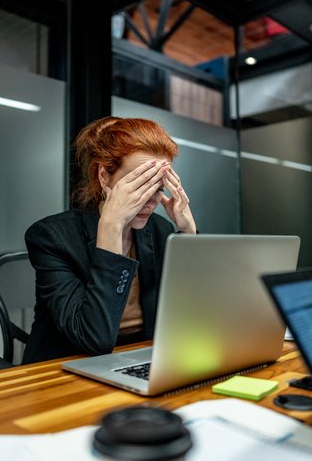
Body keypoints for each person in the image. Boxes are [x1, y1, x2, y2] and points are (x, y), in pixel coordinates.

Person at [21, 116, 197, 364]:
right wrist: (112, 228)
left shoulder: (160, 229)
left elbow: (194, 322)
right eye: (140, 185)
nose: (150, 201)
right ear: (105, 177)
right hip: (66, 368)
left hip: (142, 358)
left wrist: (188, 235)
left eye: (158, 187)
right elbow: (94, 339)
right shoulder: (52, 237)